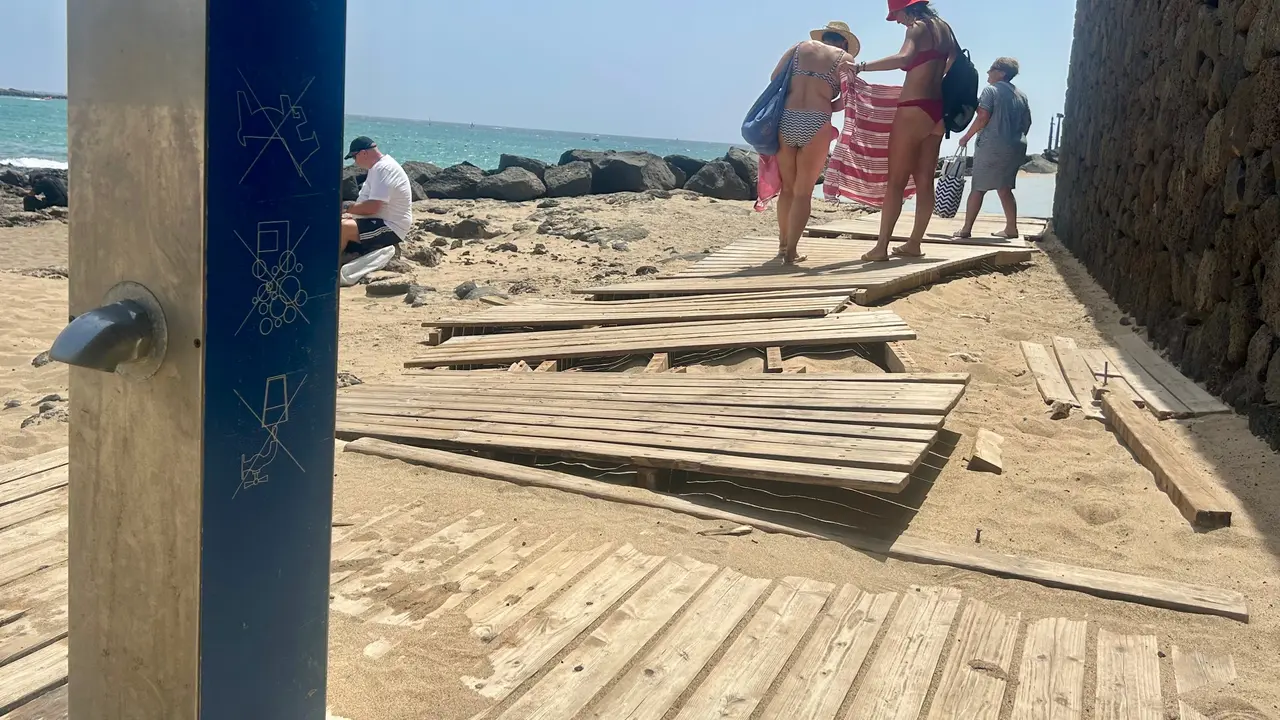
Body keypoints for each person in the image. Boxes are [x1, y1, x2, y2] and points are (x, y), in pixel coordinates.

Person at [852, 0, 956, 261]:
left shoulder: (917, 27)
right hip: (937, 110)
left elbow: (904, 58)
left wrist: (861, 67)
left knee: (896, 182)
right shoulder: (945, 28)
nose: (897, 21)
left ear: (908, 9)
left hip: (913, 108)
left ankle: (881, 248)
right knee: (924, 181)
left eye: (896, 14)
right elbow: (953, 59)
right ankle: (914, 243)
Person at [768, 21, 860, 265]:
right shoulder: (845, 58)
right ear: (842, 41)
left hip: (787, 117)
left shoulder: (798, 48)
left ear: (824, 36)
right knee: (803, 192)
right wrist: (823, 103)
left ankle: (782, 245)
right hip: (817, 121)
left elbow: (774, 78)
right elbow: (847, 99)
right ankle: (792, 253)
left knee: (787, 188)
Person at [954, 57, 1032, 239]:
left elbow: (982, 117)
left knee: (978, 187)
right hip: (1016, 146)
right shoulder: (1021, 95)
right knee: (1004, 187)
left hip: (993, 145)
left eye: (992, 69)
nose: (988, 72)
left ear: (1002, 73)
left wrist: (966, 137)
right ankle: (1011, 228)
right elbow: (1027, 122)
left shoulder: (990, 91)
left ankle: (965, 230)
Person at [340, 136, 412, 257]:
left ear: (363, 153)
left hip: (391, 227)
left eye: (354, 157)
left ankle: (330, 266)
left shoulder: (383, 168)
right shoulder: (378, 168)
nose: (355, 162)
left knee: (344, 228)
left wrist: (347, 207)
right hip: (379, 221)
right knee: (338, 223)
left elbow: (373, 207)